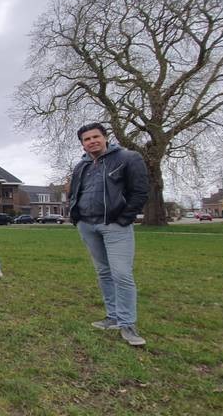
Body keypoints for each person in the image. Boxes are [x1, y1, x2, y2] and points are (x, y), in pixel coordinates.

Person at [68, 122, 149, 346]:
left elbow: (140, 191)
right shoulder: (81, 166)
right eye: (87, 139)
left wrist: (124, 217)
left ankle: (128, 325)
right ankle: (112, 317)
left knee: (121, 274)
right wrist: (76, 217)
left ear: (105, 137)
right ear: (83, 144)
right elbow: (75, 192)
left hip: (115, 225)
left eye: (95, 137)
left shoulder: (127, 158)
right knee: (103, 272)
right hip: (87, 225)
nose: (92, 141)